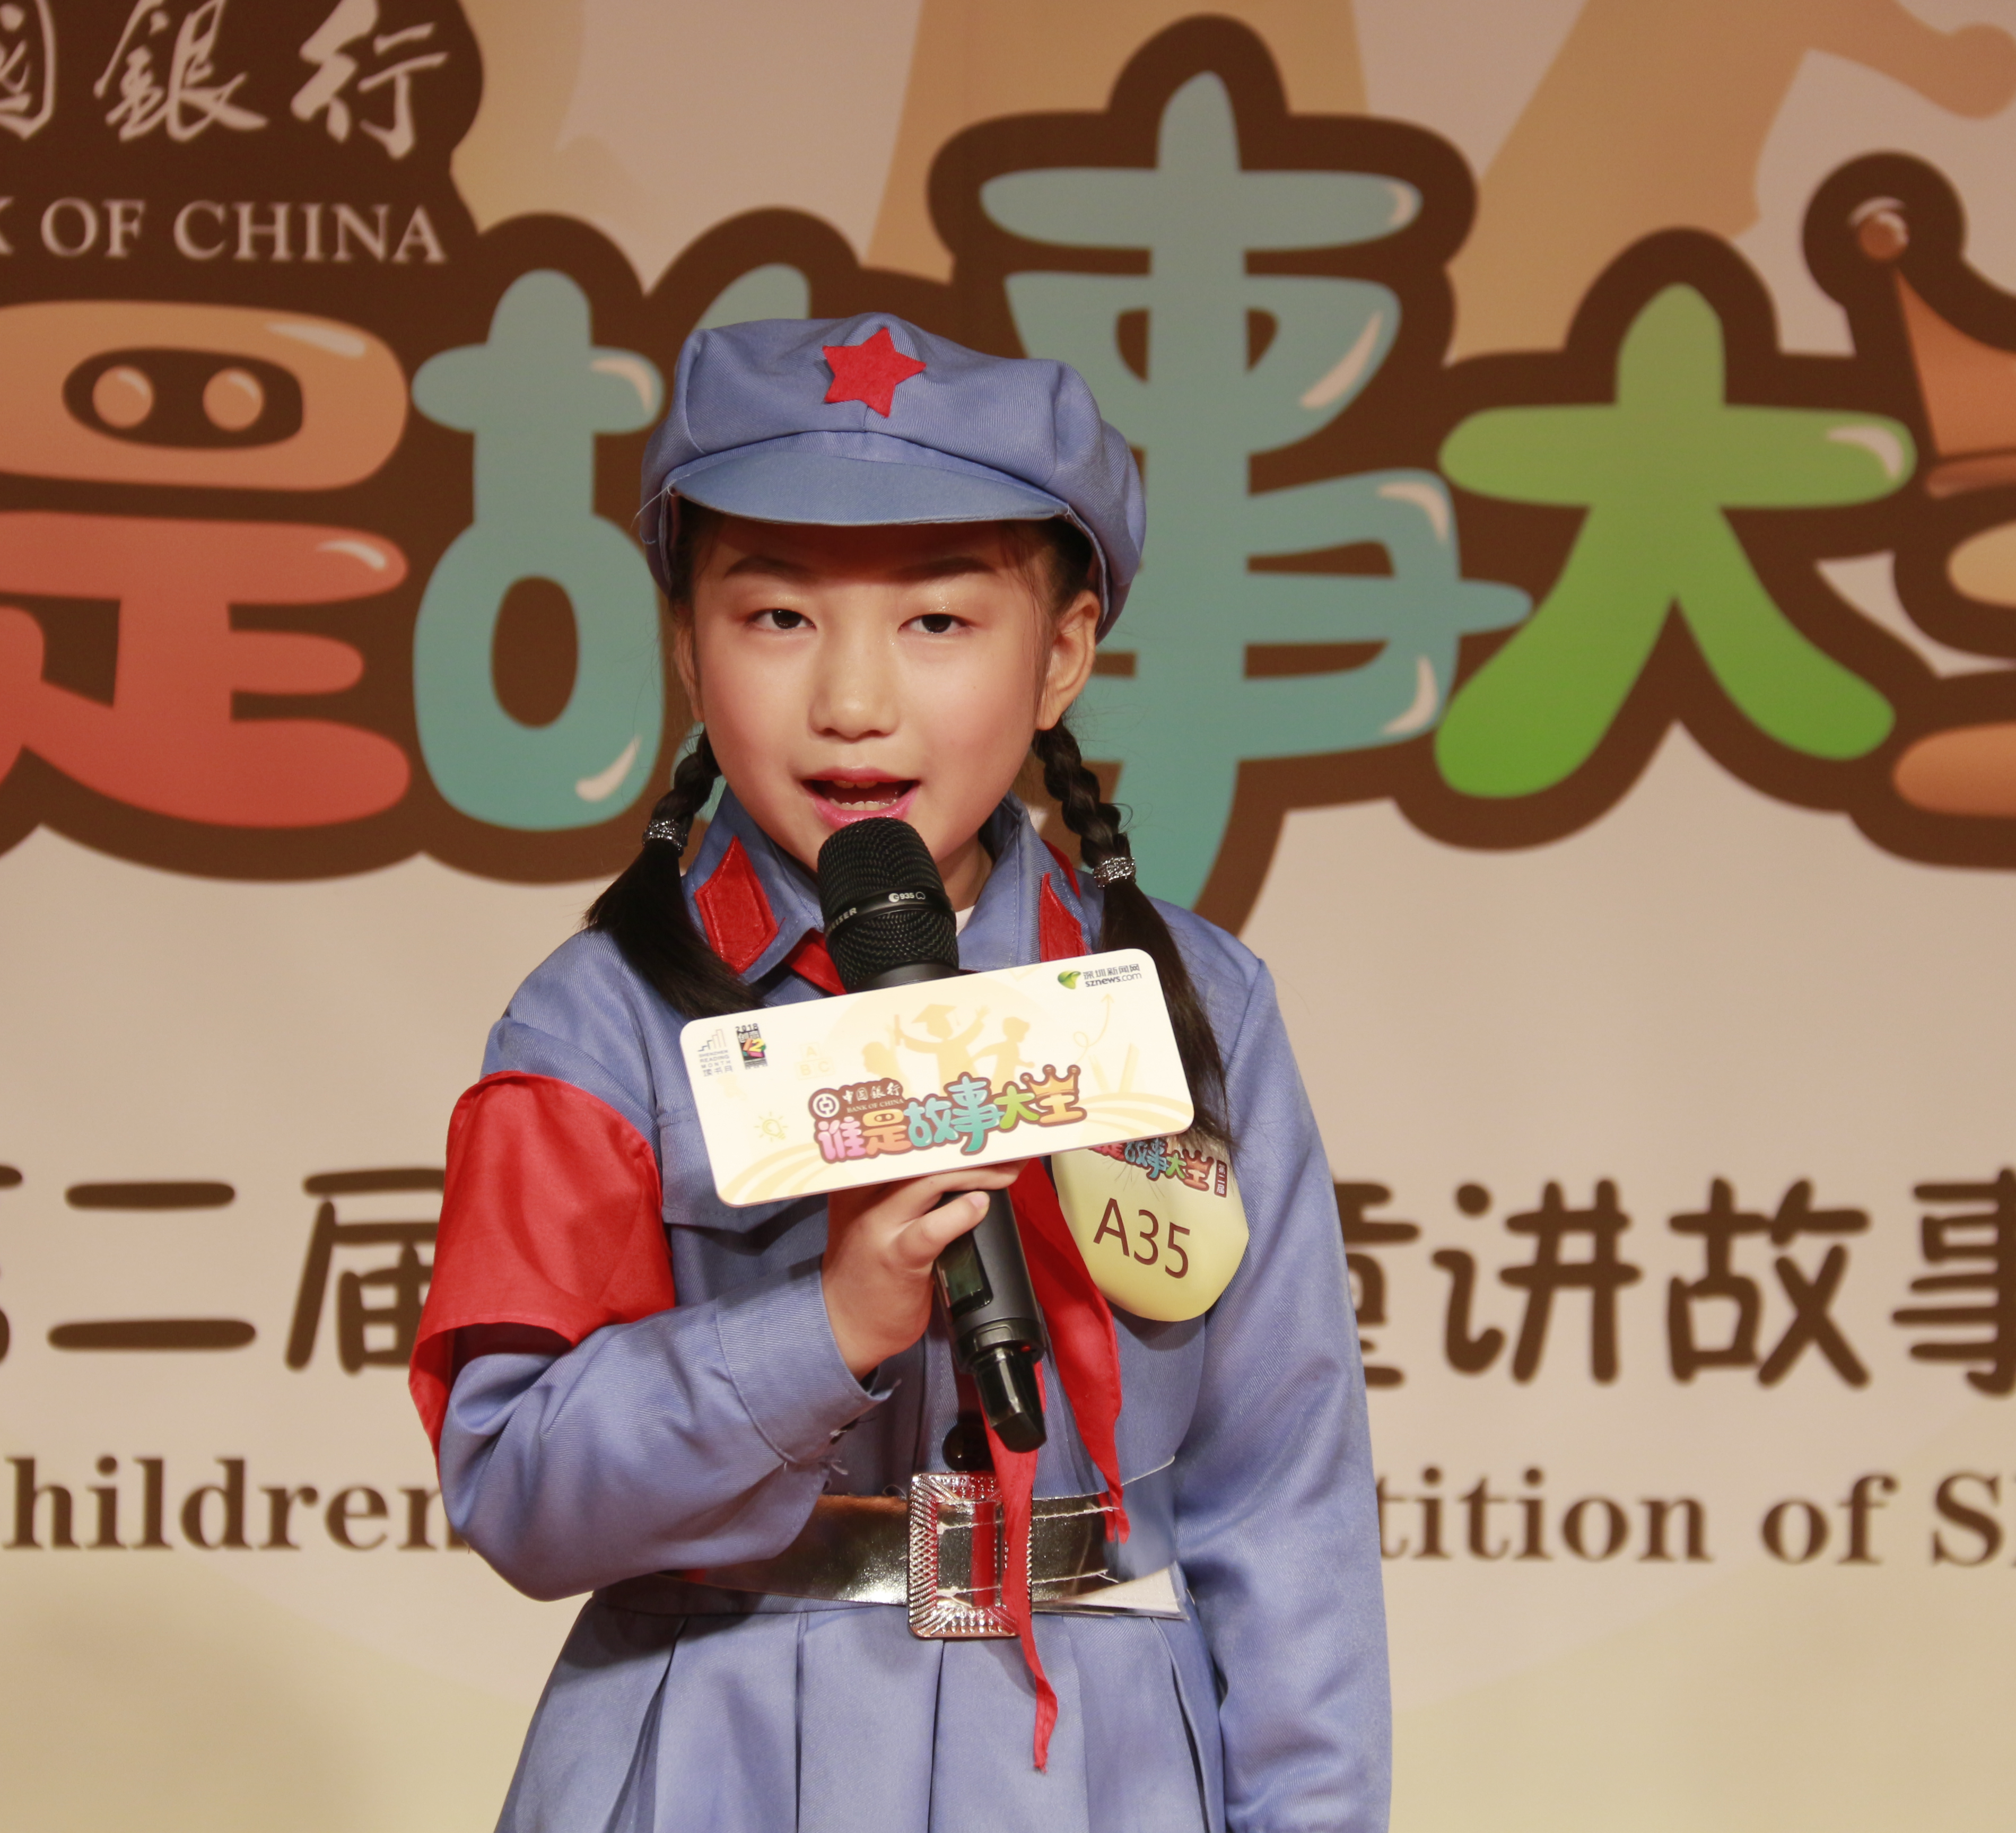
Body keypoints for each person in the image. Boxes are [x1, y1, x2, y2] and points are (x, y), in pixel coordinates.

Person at [408, 314, 1389, 1831]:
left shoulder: (1190, 1006)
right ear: (686, 647)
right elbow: (516, 1484)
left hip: (1093, 1771)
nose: (853, 699)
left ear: (1062, 654)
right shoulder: (599, 1021)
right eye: (777, 617)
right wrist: (824, 1328)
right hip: (716, 1757)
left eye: (937, 621)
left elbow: (1284, 1497)